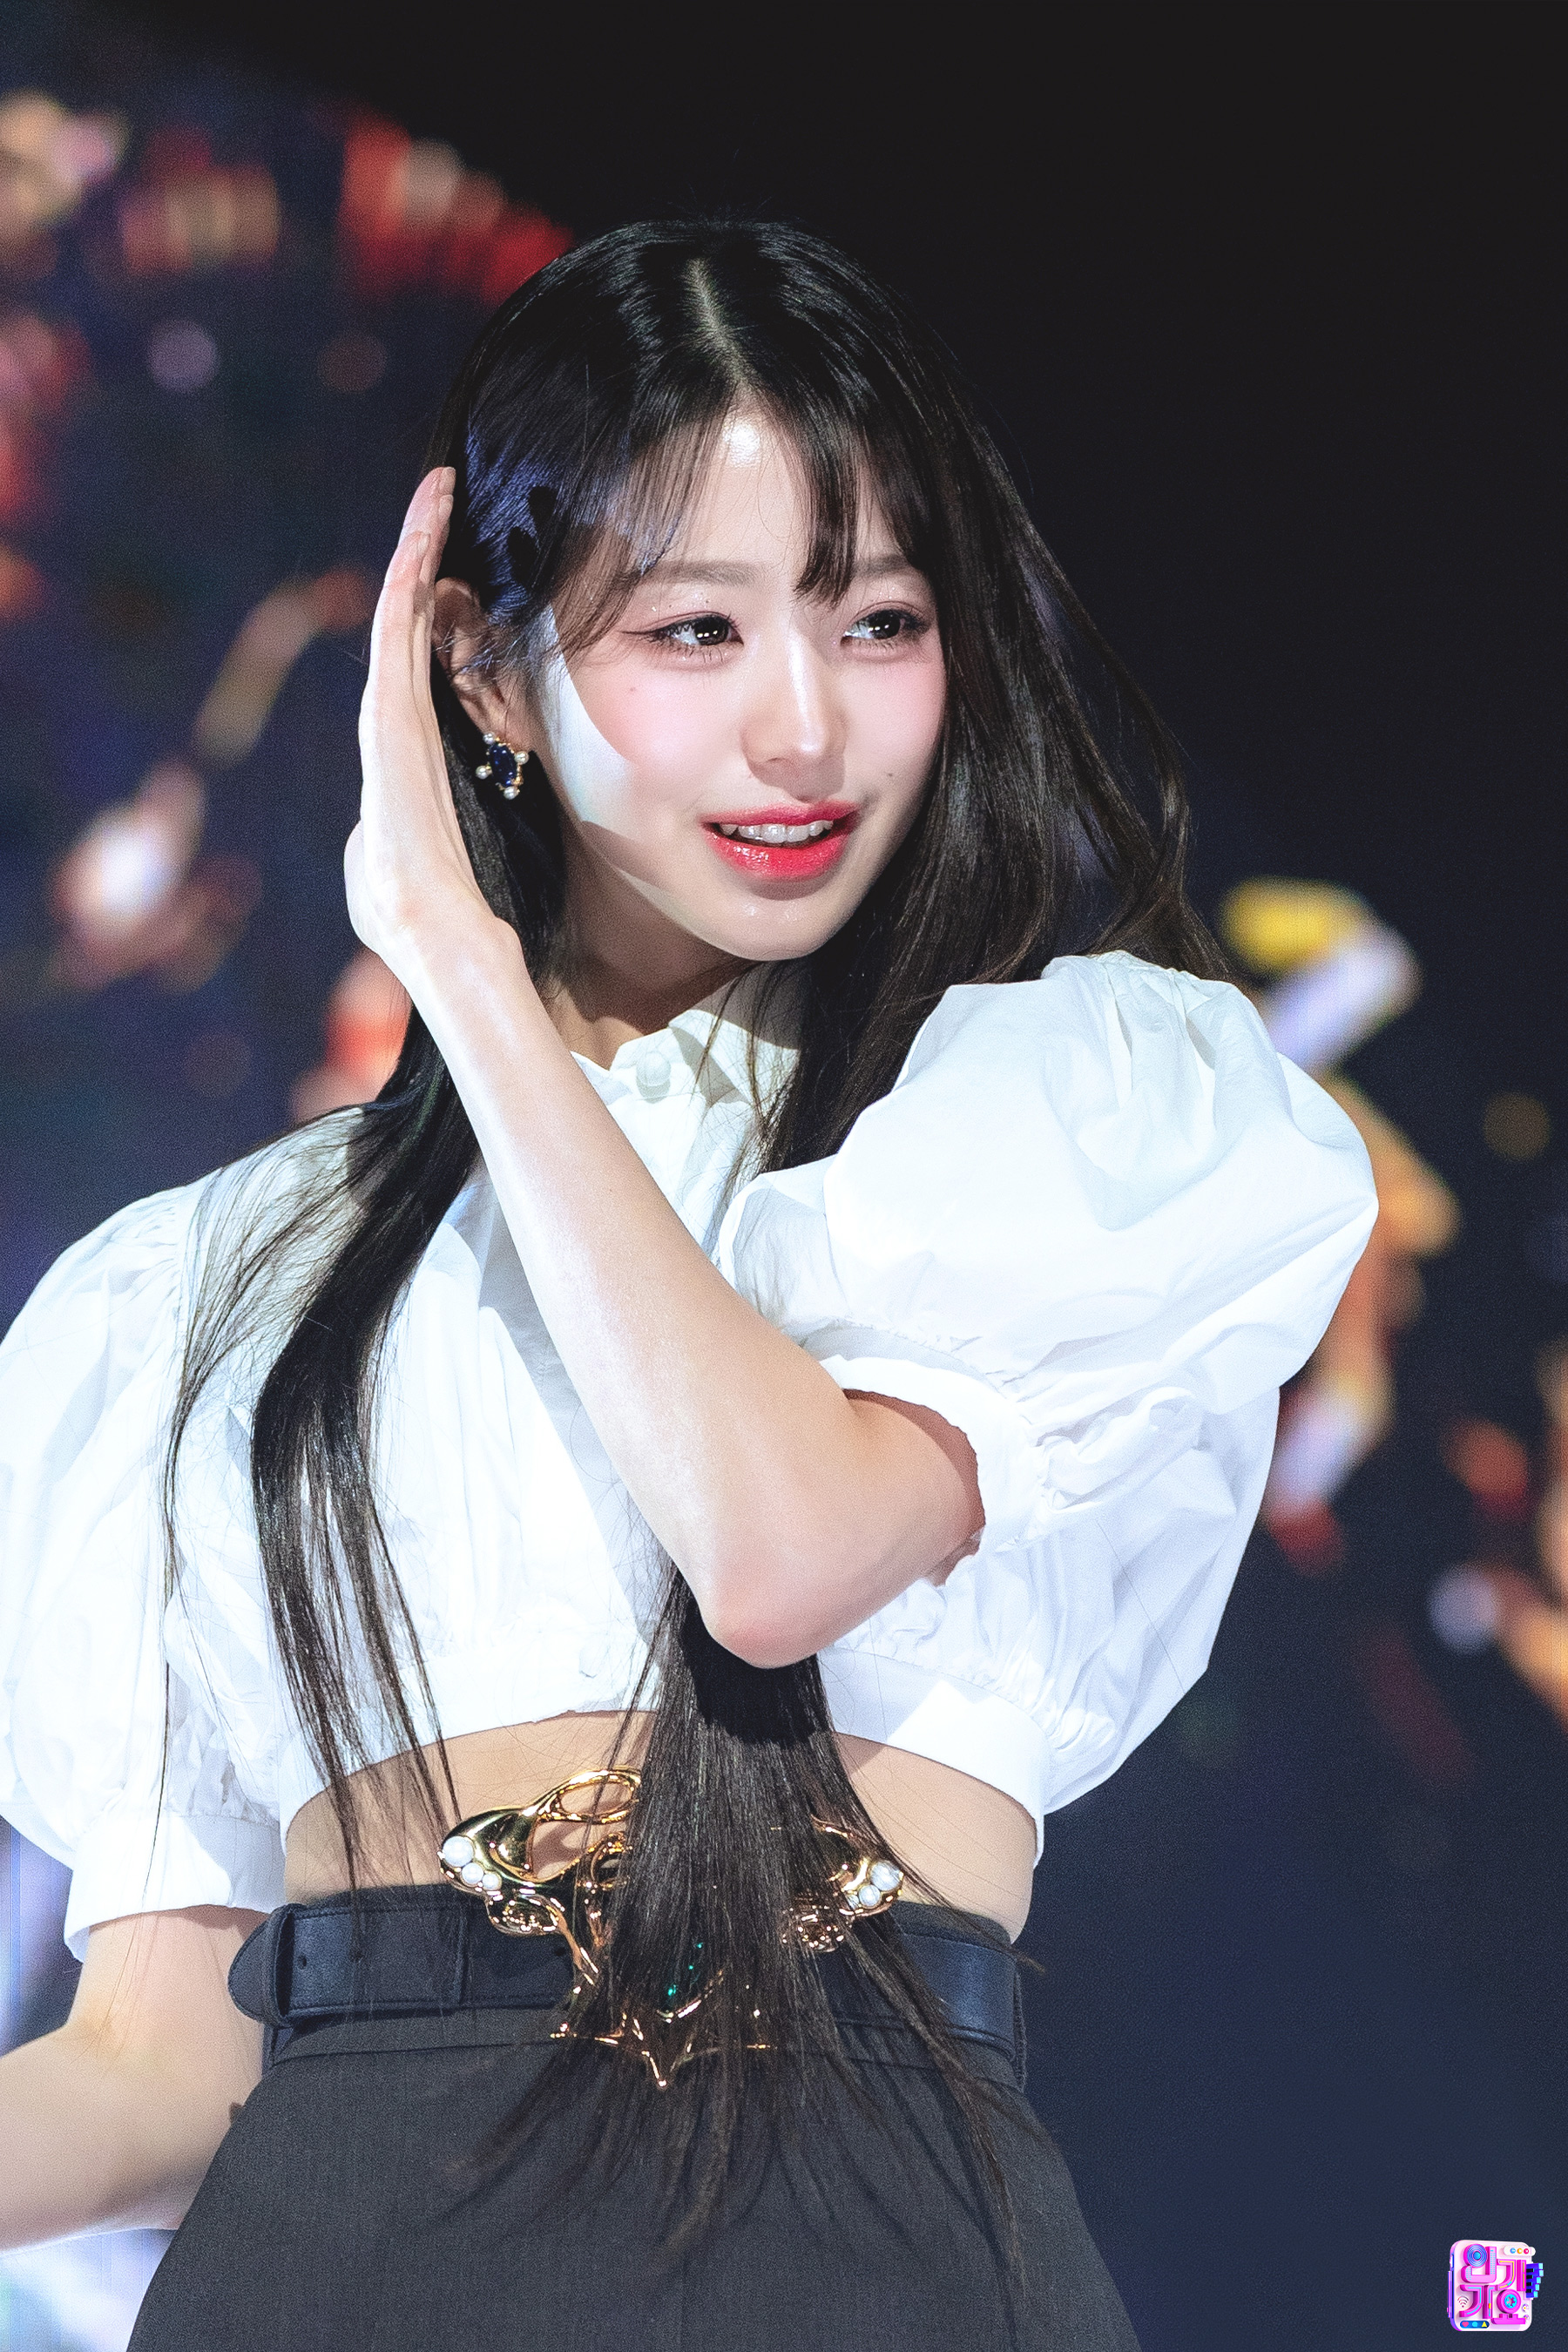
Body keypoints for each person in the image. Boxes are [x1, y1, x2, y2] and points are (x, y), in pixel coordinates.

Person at [0, 220, 1375, 2347]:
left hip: (866, 2234)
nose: (805, 727)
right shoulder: (205, 1290)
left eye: (880, 619)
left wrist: (458, 963)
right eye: (699, 629)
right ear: (481, 672)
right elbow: (158, 2075)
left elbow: (780, 1547)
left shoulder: (1075, 1106)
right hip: (344, 2258)